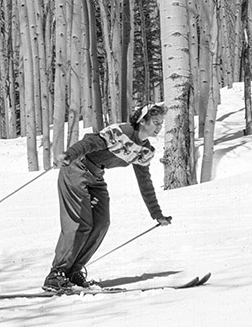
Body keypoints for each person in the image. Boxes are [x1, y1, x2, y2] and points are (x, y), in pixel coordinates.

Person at [43, 103, 172, 294]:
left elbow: (145, 183)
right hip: (76, 169)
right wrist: (69, 155)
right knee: (81, 223)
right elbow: (90, 143)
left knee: (102, 222)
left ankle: (74, 271)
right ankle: (56, 274)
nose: (159, 126)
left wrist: (157, 214)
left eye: (160, 123)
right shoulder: (120, 132)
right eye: (155, 122)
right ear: (142, 120)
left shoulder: (144, 150)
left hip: (96, 176)